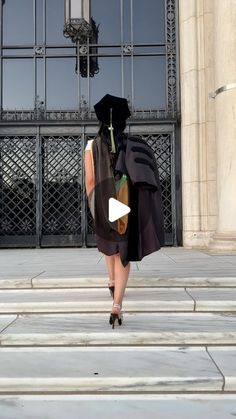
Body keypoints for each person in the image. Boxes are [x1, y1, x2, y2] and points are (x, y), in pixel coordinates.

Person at [84, 94, 165, 328]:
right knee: (123, 251)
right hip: (124, 203)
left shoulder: (91, 146)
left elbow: (90, 181)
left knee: (109, 246)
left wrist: (95, 207)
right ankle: (116, 306)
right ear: (122, 122)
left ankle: (111, 281)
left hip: (101, 202)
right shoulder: (131, 144)